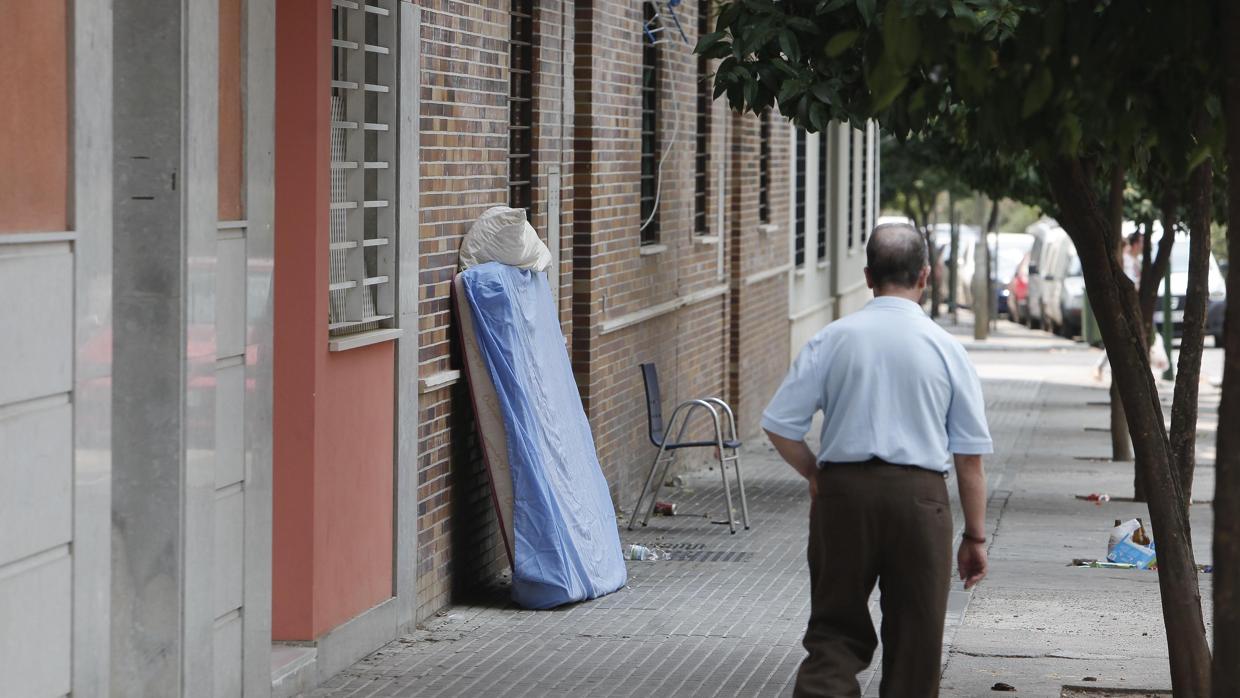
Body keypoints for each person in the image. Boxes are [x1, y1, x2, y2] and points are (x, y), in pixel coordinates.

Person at [762, 223, 992, 697]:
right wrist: (975, 536)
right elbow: (969, 459)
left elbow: (781, 425)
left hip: (843, 495)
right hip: (921, 501)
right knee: (916, 643)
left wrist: (815, 473)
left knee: (834, 632)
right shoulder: (947, 349)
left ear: (868, 276)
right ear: (925, 277)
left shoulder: (833, 340)